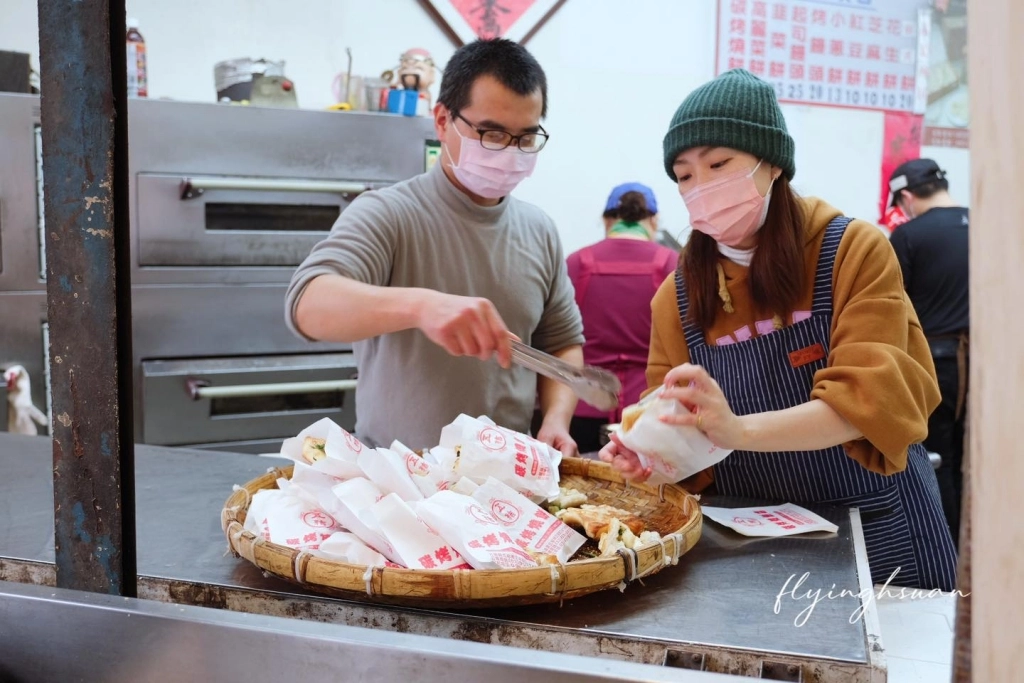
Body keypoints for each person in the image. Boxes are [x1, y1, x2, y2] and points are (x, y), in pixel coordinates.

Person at [600, 69, 957, 591]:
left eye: (719, 164)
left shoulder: (850, 251)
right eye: (684, 175)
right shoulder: (677, 296)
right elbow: (675, 425)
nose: (701, 188)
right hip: (750, 544)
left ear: (771, 165)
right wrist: (649, 454)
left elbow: (869, 404)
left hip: (878, 531)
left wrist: (739, 431)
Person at [286, 39, 584, 453]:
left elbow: (562, 344)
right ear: (443, 121)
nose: (509, 153)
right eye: (492, 133)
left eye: (526, 138)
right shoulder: (388, 213)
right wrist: (422, 307)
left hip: (507, 485)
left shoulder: (539, 230)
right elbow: (307, 305)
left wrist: (555, 420)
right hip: (397, 484)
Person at [888, 159, 969, 548]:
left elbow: (889, 309)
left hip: (934, 364)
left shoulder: (908, 236)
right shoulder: (990, 227)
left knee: (936, 459)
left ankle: (946, 549)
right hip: (987, 365)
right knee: (975, 459)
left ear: (906, 196)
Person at [564, 183, 677, 453]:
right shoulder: (671, 263)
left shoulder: (577, 262)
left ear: (606, 220)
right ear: (653, 221)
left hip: (582, 406)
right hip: (649, 408)